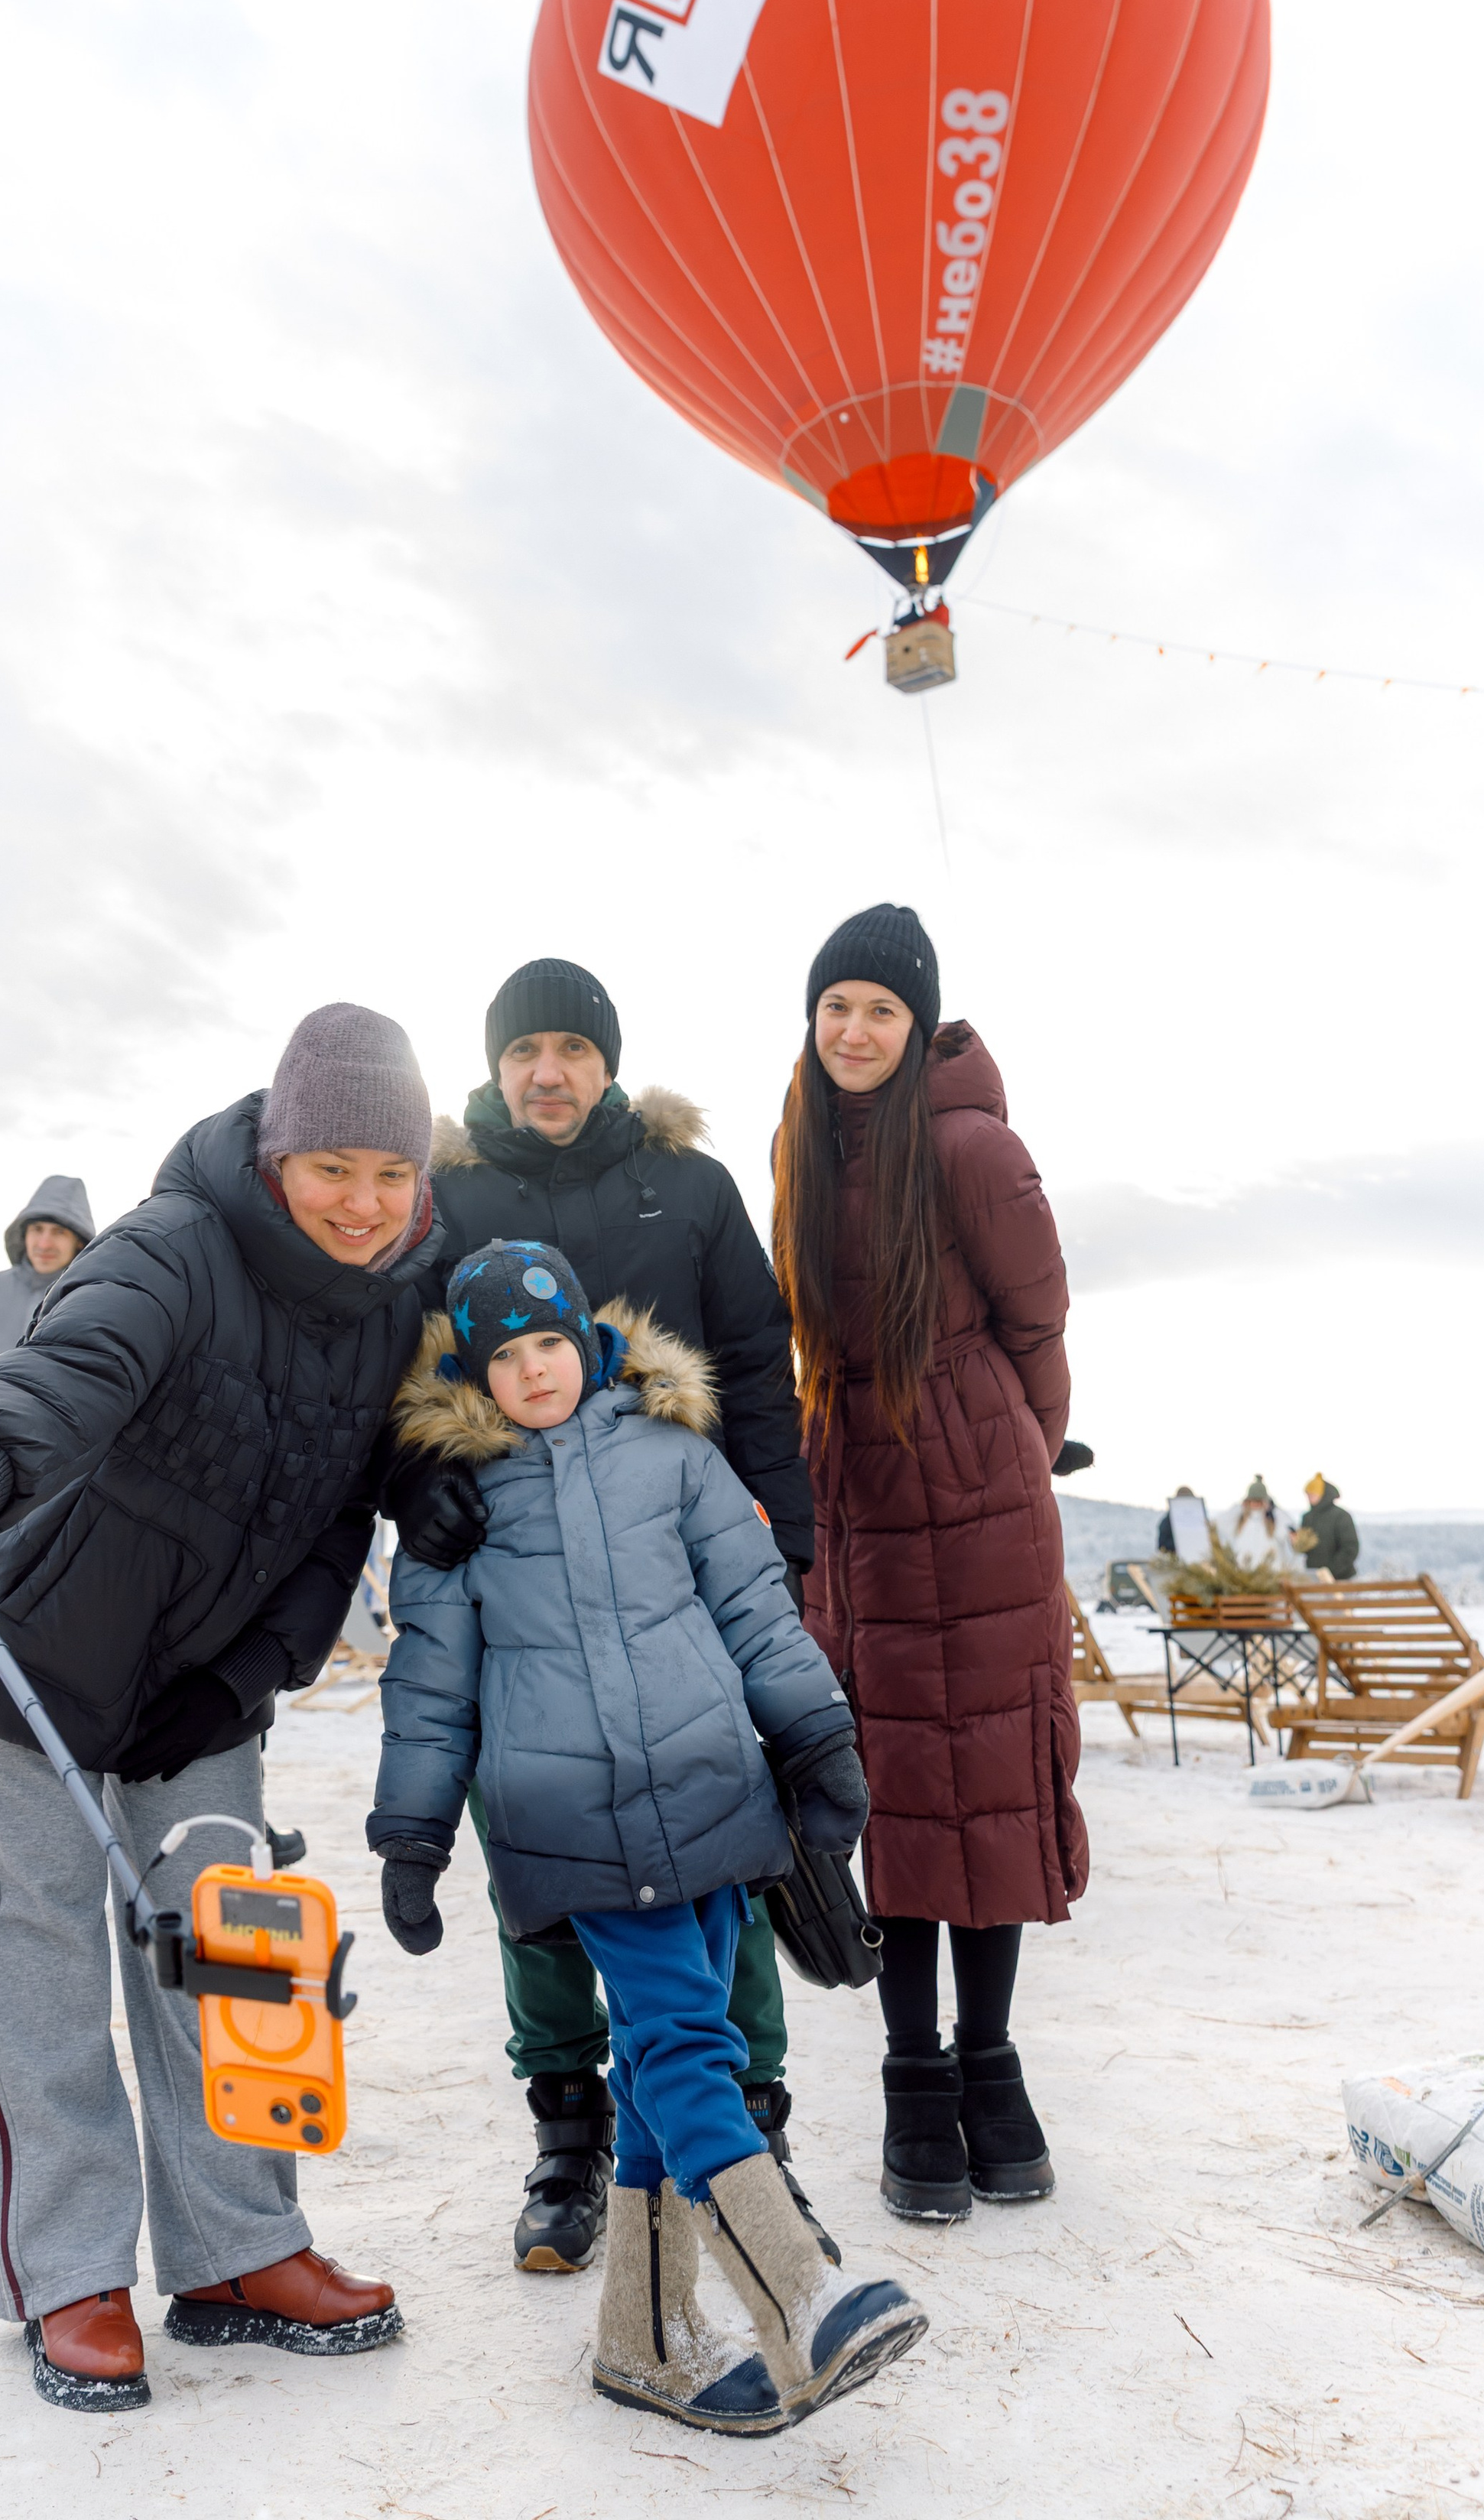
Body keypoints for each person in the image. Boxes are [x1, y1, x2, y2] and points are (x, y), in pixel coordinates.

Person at [0, 1008, 446, 2415]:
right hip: (31, 1652)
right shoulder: (174, 1243)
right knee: (44, 1957)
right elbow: (64, 1374)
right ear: (277, 1154)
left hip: (199, 1685)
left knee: (232, 1952)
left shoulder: (398, 1302)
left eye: (391, 1172)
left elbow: (338, 1526)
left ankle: (240, 2250)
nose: (362, 1205)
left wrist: (248, 1674)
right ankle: (70, 2270)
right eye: (333, 1168)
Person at [369, 1238, 924, 2434]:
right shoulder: (458, 1514)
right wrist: (411, 1837)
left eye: (550, 1344)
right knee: (681, 2040)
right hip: (568, 1818)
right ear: (472, 1371)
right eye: (504, 1356)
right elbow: (429, 1691)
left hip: (713, 1790)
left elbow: (754, 1609)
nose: (533, 1372)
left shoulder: (676, 1457)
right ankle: (800, 2295)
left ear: (592, 1340)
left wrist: (819, 1741)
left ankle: (644, 2338)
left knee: (666, 2049)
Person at [402, 956, 817, 2274]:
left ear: (609, 1062)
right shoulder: (446, 1193)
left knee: (722, 1843)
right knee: (533, 1849)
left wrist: (782, 1527)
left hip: (670, 1575)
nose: (549, 1072)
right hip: (514, 1590)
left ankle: (748, 2113)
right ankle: (572, 2125)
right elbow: (391, 1365)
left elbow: (754, 1356)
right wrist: (413, 1481)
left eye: (573, 1049)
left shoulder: (685, 1187)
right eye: (525, 1050)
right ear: (495, 1067)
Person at [771, 906, 1087, 2226]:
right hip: (854, 1495)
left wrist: (1009, 1452)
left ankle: (994, 2073)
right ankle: (916, 2081)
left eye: (880, 1011)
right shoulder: (795, 1141)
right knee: (895, 1788)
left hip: (974, 1496)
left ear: (918, 1026)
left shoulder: (970, 1146)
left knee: (993, 1790)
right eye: (836, 1005)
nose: (854, 1031)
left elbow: (1040, 1321)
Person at [0, 1176, 96, 1379]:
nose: (44, 1244)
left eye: (59, 1232)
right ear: (24, 1235)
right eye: (37, 1229)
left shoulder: (91, 1296)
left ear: (79, 1241)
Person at [1297, 1474, 1359, 1580]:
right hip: (1315, 1577)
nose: (1309, 1498)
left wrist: (1330, 1571)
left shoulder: (1341, 1516)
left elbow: (1350, 1548)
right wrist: (1297, 1543)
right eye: (1308, 1494)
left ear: (1324, 1494)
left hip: (1342, 1578)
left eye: (1313, 1494)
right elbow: (1306, 1549)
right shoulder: (1307, 1517)